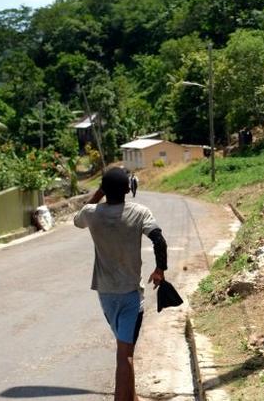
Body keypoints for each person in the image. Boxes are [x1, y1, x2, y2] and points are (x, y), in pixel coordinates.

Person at [74, 167, 168, 401]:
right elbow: (159, 240)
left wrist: (99, 193)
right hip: (131, 294)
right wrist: (159, 270)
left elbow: (78, 219)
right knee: (124, 353)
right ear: (129, 188)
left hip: (105, 294)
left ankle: (133, 397)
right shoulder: (139, 212)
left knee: (125, 348)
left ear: (105, 190)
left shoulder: (91, 213)